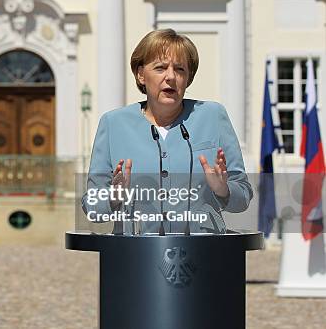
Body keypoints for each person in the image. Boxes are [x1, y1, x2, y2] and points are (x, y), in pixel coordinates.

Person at [82, 29, 252, 234]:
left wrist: (223, 190)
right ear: (141, 74)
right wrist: (113, 197)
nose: (171, 77)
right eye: (161, 68)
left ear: (188, 78)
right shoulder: (113, 124)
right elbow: (91, 207)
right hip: (135, 255)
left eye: (180, 69)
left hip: (204, 254)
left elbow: (242, 197)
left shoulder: (213, 116)